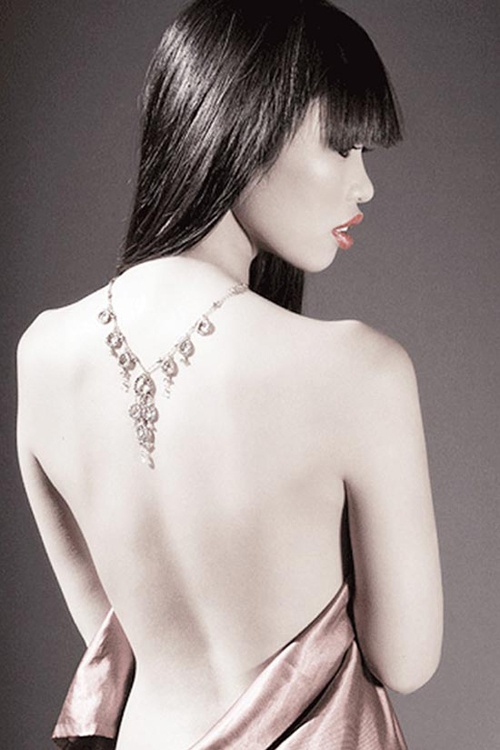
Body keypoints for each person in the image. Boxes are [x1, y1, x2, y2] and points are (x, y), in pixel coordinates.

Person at [16, 0, 443, 748]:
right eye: (343, 146)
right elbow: (405, 660)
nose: (365, 185)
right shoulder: (358, 369)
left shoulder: (43, 353)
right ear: (244, 127)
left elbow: (113, 638)